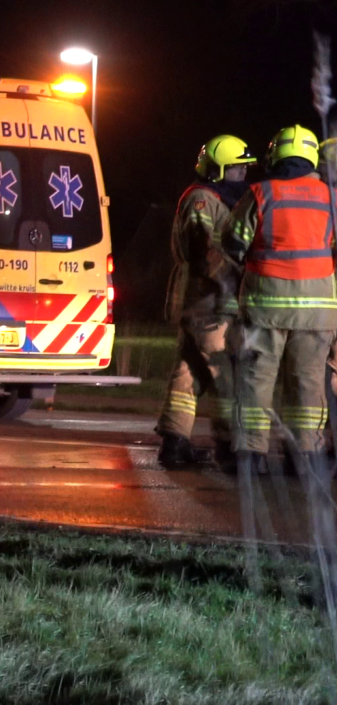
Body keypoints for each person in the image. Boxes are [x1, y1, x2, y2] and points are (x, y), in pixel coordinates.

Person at [221, 125, 337, 474]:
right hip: (317, 312)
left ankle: (252, 457)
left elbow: (233, 242)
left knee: (257, 379)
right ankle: (306, 459)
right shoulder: (330, 197)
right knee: (309, 382)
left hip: (265, 305)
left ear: (275, 156)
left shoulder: (260, 193)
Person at [154, 135, 255, 467]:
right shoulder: (202, 198)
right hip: (209, 301)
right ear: (218, 170)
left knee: (189, 371)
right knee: (224, 373)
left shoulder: (218, 198)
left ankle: (175, 442)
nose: (243, 174)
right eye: (237, 168)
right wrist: (237, 277)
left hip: (203, 301)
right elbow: (204, 249)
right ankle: (231, 448)